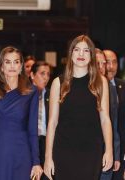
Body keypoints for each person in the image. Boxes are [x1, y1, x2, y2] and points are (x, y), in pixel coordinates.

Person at [44, 35, 113, 180]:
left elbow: (105, 119)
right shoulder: (58, 83)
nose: (81, 54)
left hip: (91, 150)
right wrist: (48, 157)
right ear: (71, 53)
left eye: (86, 51)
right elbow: (52, 123)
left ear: (92, 55)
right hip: (63, 150)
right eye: (77, 50)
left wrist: (109, 150)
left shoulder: (101, 82)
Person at [0, 46, 43, 180]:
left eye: (16, 62)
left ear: (21, 66)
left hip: (22, 154)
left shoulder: (31, 92)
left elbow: (33, 131)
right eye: (7, 62)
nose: (12, 66)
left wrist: (36, 161)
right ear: (1, 66)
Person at [103, 50, 125, 180]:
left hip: (121, 152)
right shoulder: (95, 87)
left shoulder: (123, 86)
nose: (111, 67)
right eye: (107, 62)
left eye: (114, 62)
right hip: (101, 151)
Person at [30, 61, 51, 180]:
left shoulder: (50, 94)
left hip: (45, 141)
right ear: (32, 75)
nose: (46, 77)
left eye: (48, 74)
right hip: (29, 141)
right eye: (42, 73)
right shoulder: (24, 94)